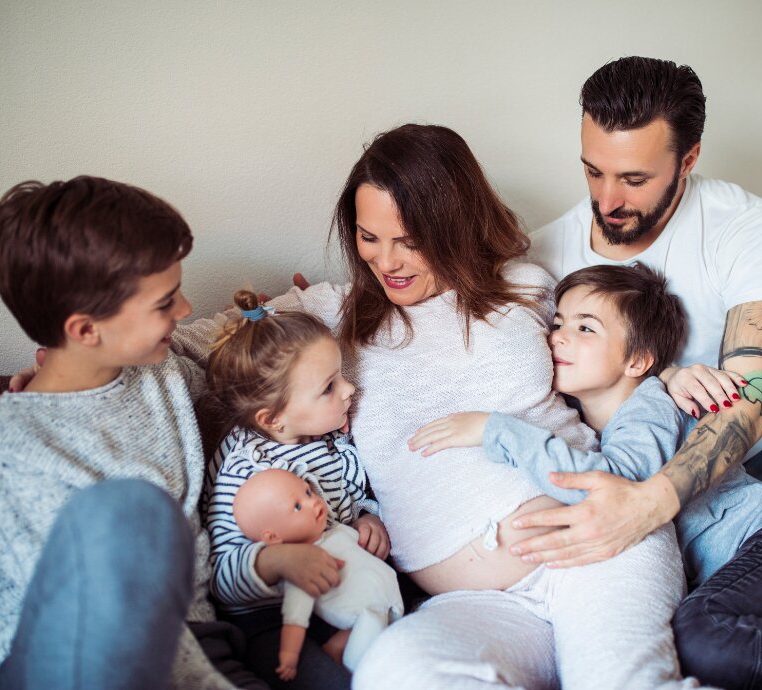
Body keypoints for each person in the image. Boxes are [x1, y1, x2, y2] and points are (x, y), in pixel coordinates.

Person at [265, 124, 705, 690]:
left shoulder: (527, 287)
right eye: (368, 237)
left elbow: (615, 347)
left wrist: (674, 372)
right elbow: (209, 340)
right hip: (480, 605)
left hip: (594, 548)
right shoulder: (337, 317)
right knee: (395, 671)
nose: (386, 260)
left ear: (455, 225)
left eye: (409, 239)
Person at [523, 55, 762, 648]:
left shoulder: (747, 225)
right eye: (593, 172)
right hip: (747, 475)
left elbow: (753, 395)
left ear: (687, 160)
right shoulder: (543, 261)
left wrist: (649, 503)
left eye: (634, 180)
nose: (607, 200)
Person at [411, 263, 762, 688]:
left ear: (637, 361)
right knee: (703, 646)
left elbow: (615, 483)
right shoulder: (584, 424)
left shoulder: (651, 406)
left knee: (702, 632)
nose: (558, 336)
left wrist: (494, 429)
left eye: (585, 328)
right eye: (557, 323)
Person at [0, 177, 269, 690]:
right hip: (50, 660)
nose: (185, 308)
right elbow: (86, 607)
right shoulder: (15, 446)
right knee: (135, 512)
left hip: (191, 639)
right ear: (84, 331)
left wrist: (293, 303)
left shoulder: (159, 371)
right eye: (165, 302)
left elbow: (238, 336)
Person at [202, 292, 391, 689]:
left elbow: (353, 492)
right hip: (273, 615)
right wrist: (279, 560)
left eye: (341, 376)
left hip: (344, 593)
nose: (349, 389)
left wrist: (367, 515)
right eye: (329, 387)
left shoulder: (325, 437)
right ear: (273, 418)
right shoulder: (245, 469)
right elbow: (223, 575)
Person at [231, 468, 403, 680]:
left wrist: (368, 520)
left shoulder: (338, 530)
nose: (313, 502)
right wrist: (289, 657)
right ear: (273, 537)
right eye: (297, 506)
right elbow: (296, 620)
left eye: (308, 492)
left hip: (388, 601)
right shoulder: (302, 568)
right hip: (366, 618)